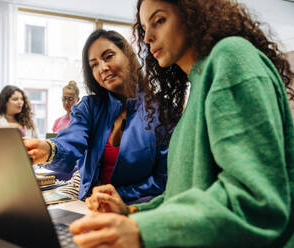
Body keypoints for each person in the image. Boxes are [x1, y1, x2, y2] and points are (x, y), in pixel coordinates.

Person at [69, 0, 294, 247]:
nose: (148, 38)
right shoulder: (197, 87)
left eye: (159, 21)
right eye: (144, 29)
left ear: (195, 13)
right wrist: (131, 212)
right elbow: (184, 194)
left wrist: (141, 230)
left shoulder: (231, 58)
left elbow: (256, 203)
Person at [24, 29, 169, 202]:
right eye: (94, 64)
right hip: (89, 207)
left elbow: (163, 179)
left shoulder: (163, 111)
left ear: (128, 56)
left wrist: (119, 196)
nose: (102, 68)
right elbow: (70, 142)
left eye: (108, 56)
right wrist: (48, 150)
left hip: (138, 210)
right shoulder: (89, 107)